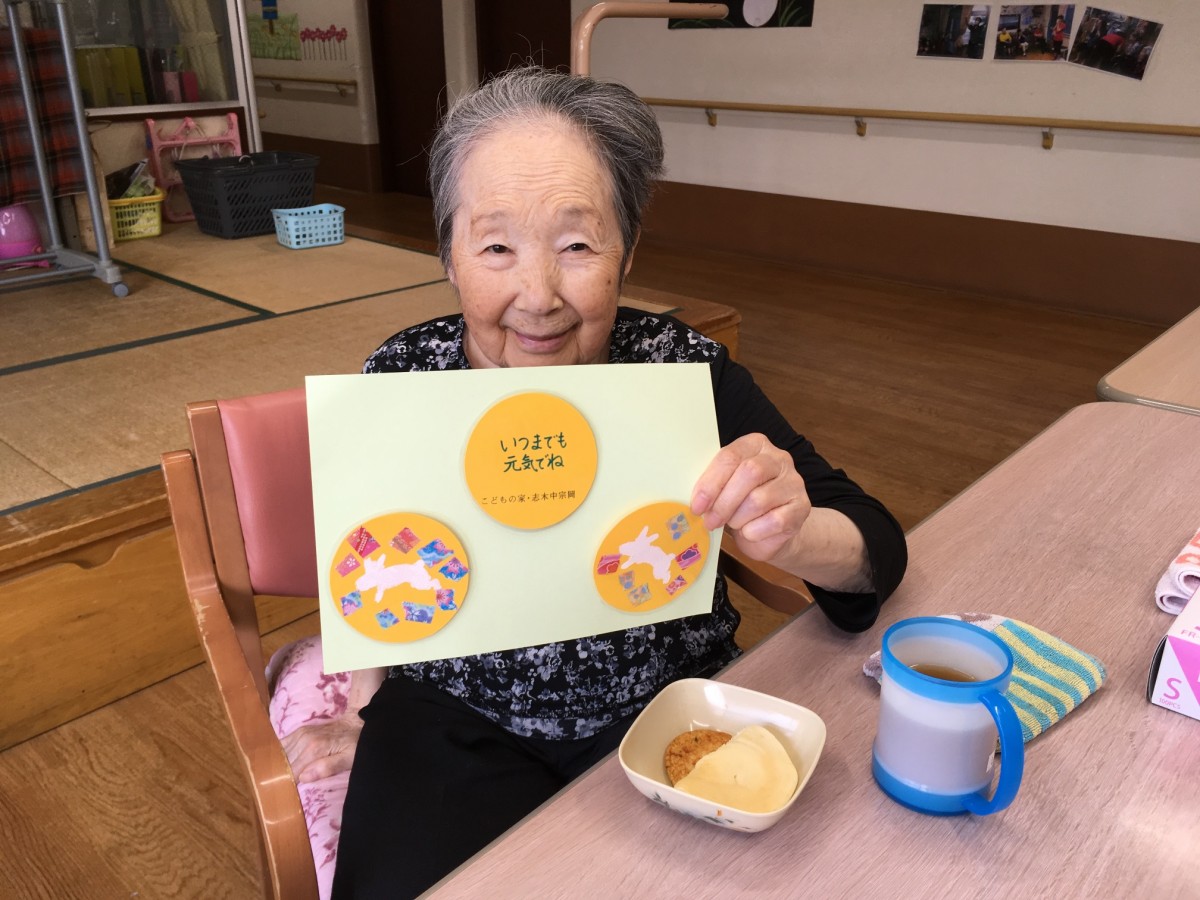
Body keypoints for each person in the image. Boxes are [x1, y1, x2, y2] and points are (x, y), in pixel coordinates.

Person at [286, 67, 907, 899]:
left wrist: (794, 530)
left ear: (628, 250)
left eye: (577, 246)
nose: (538, 297)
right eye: (496, 247)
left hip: (667, 706)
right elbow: (367, 565)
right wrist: (363, 712)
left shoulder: (684, 373)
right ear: (448, 255)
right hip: (454, 717)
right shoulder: (401, 377)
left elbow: (876, 553)